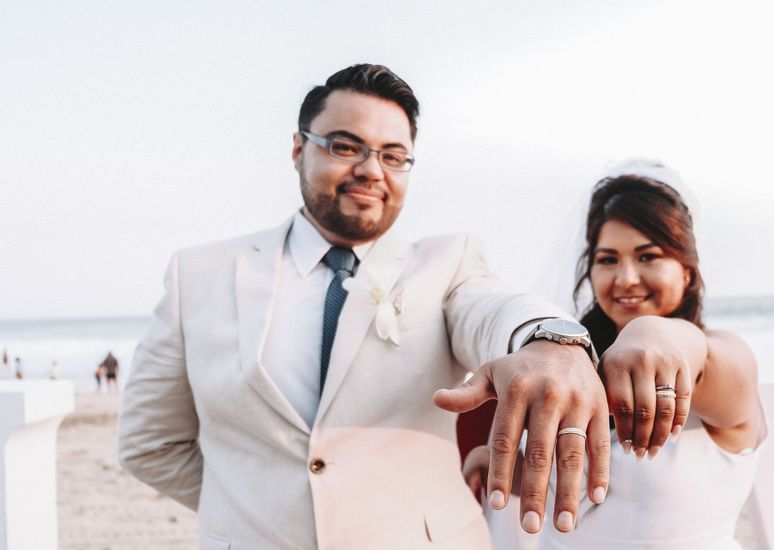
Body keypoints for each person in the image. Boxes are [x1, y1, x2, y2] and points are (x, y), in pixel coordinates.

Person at [117, 64, 609, 549]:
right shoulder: (199, 274)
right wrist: (253, 510)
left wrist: (550, 339)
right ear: (298, 149)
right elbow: (149, 443)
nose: (372, 170)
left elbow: (492, 307)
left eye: (394, 156)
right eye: (345, 146)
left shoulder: (448, 263)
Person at [464, 160, 765, 549]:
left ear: (687, 271)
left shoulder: (724, 362)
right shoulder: (571, 370)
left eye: (648, 256)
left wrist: (652, 331)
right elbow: (587, 488)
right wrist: (504, 466)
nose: (625, 279)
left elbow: (703, 358)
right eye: (608, 260)